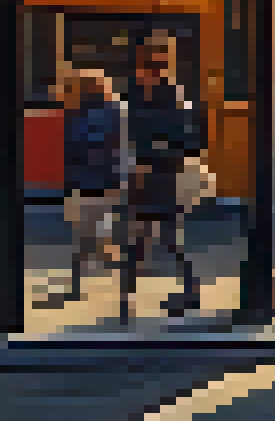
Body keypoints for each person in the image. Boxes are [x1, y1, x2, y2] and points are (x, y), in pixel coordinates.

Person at [123, 34, 205, 321]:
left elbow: (185, 139)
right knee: (139, 237)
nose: (142, 70)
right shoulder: (138, 93)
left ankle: (190, 292)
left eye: (150, 64)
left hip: (164, 175)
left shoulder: (172, 95)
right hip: (143, 176)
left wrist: (151, 155)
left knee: (167, 238)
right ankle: (127, 297)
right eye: (142, 63)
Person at [44, 68, 126, 308]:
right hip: (97, 184)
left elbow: (73, 151)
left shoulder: (84, 113)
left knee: (93, 242)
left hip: (93, 184)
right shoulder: (109, 112)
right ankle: (91, 288)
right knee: (87, 241)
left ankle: (120, 286)